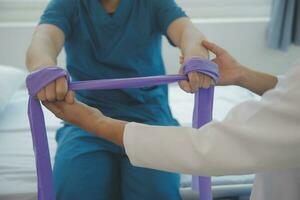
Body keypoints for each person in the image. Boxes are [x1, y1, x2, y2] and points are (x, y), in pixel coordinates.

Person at [43, 40, 300, 200]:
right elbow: (291, 96)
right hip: (85, 126)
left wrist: (96, 122)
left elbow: (212, 147)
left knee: (156, 190)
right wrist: (243, 75)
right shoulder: (69, 7)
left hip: (142, 116)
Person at [26, 0, 216, 199]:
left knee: (156, 193)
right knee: (75, 191)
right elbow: (43, 39)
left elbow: (188, 32)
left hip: (149, 120)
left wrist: (195, 55)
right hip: (83, 120)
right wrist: (44, 67)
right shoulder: (68, 4)